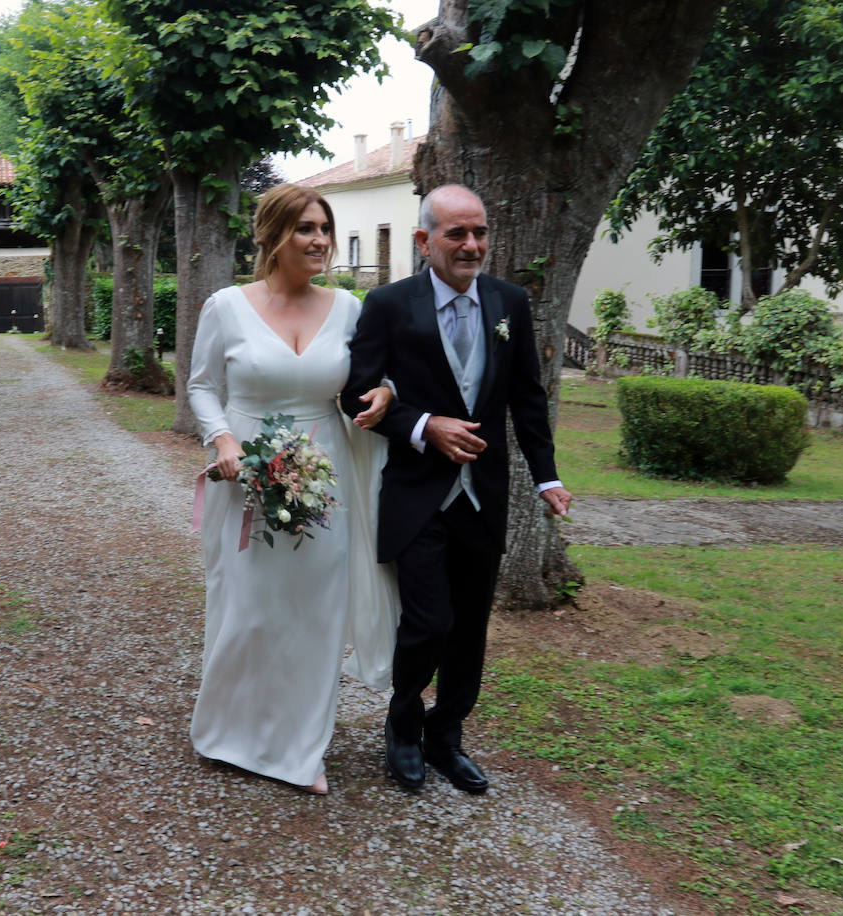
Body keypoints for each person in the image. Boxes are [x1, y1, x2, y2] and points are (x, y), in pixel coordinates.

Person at [341, 184, 574, 794]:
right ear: (424, 242)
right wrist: (421, 425)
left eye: (479, 233)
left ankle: (448, 736)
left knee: (470, 625)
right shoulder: (389, 304)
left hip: (484, 497)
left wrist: (546, 474)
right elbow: (355, 394)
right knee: (429, 619)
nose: (471, 246)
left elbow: (526, 397)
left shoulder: (509, 303)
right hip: (419, 494)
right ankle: (403, 722)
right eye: (456, 234)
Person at [187, 183, 398, 796]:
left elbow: (370, 376)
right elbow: (202, 386)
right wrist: (223, 440)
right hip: (247, 471)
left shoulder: (350, 308)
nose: (321, 241)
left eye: (325, 229)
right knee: (248, 607)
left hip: (324, 472)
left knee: (316, 610)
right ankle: (229, 733)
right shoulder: (226, 307)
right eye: (307, 228)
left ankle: (301, 748)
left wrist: (384, 392)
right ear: (273, 235)